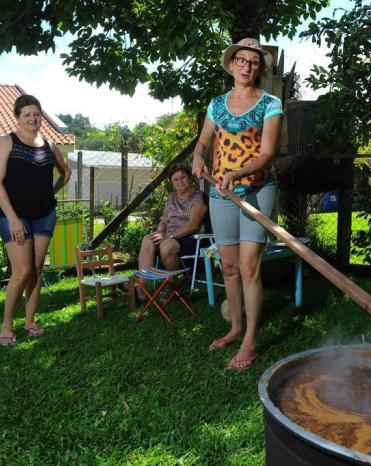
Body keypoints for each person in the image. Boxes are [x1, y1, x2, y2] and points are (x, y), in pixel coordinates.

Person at [192, 38, 283, 371]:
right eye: (241, 60)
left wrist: (237, 173)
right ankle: (235, 327)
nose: (247, 66)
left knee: (248, 268)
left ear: (259, 68)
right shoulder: (216, 104)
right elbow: (203, 142)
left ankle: (250, 342)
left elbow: (267, 154)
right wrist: (198, 159)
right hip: (221, 193)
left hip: (257, 190)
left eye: (253, 62)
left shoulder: (271, 104)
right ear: (231, 65)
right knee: (228, 267)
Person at [0, 95, 71, 346]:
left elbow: (65, 172)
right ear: (17, 117)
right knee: (22, 271)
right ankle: (6, 325)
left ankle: (29, 321)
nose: (33, 119)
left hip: (44, 214)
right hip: (15, 216)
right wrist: (14, 219)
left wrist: (50, 192)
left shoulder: (48, 144)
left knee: (36, 269)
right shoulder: (8, 143)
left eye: (36, 114)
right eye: (27, 114)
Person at [136, 164, 207, 302]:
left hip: (190, 239)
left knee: (166, 246)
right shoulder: (171, 197)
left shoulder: (198, 198)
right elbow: (164, 219)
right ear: (172, 183)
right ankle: (141, 289)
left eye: (183, 177)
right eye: (176, 179)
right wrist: (160, 231)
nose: (180, 181)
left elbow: (194, 225)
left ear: (190, 178)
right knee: (148, 240)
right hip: (169, 236)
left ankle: (172, 286)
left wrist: (169, 236)